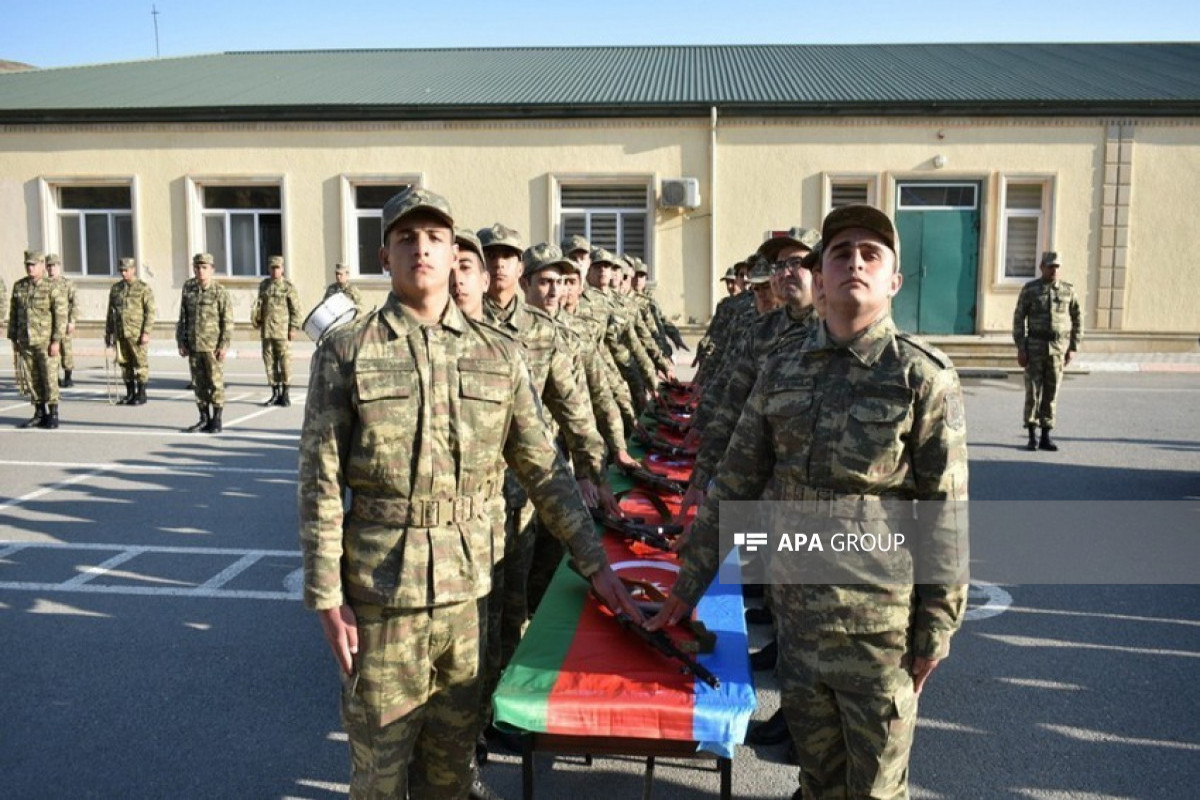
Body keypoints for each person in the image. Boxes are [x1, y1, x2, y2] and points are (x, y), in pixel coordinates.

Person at [297, 186, 638, 800]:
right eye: (406, 239)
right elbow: (319, 479)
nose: (421, 250)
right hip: (381, 598)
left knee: (450, 772)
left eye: (435, 239)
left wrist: (595, 563)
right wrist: (326, 593)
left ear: (456, 254)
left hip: (467, 596)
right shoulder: (347, 353)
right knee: (377, 775)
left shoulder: (497, 354)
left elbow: (545, 470)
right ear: (385, 257)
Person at [650, 204, 969, 800]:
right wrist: (685, 588)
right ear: (820, 278)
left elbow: (944, 515)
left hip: (879, 632)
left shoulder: (921, 377)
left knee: (874, 787)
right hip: (798, 623)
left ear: (894, 281)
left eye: (871, 255)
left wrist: (935, 630)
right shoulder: (781, 369)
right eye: (840, 253)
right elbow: (735, 485)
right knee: (817, 780)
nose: (855, 263)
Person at [1012, 251, 1082, 452]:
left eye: (1057, 266)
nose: (1054, 270)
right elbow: (1019, 318)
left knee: (1051, 393)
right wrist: (1021, 347)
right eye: (1050, 266)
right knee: (1032, 393)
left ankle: (1046, 436)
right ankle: (1032, 436)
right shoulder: (1031, 290)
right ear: (1042, 267)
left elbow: (1078, 318)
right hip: (1034, 348)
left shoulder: (1068, 291)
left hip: (1058, 350)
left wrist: (1073, 347)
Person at [8, 249, 66, 428]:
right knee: (32, 378)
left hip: (45, 341)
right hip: (26, 340)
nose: (30, 268)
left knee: (48, 377)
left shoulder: (53, 287)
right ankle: (39, 412)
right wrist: (13, 338)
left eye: (33, 265)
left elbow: (60, 316)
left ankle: (53, 413)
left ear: (42, 266)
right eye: (28, 265)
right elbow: (14, 313)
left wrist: (56, 340)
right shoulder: (20, 287)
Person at [176, 253, 232, 433]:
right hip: (194, 345)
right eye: (197, 267)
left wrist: (223, 345)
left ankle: (216, 419)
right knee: (198, 384)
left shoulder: (219, 291)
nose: (200, 271)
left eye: (204, 267)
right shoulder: (189, 288)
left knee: (215, 383)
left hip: (211, 346)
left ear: (212, 269)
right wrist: (181, 341)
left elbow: (227, 321)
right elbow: (183, 316)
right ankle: (203, 418)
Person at [105, 258, 156, 405]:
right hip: (120, 333)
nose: (123, 273)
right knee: (125, 364)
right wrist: (109, 333)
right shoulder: (116, 289)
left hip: (136, 333)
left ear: (133, 270)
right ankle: (130, 393)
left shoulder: (143, 288)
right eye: (121, 270)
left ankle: (141, 393)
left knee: (140, 364)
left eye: (126, 270)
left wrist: (146, 332)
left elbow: (150, 312)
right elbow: (110, 312)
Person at [252, 255, 301, 407]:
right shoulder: (264, 285)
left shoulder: (288, 287)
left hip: (282, 331)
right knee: (269, 362)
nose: (275, 271)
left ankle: (285, 393)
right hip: (267, 331)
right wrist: (256, 318)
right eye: (272, 268)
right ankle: (275, 392)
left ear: (282, 269)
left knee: (285, 362)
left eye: (277, 268)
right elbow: (259, 305)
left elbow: (296, 309)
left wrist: (293, 328)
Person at [45, 254, 77, 387]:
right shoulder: (44, 284)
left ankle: (68, 376)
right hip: (50, 323)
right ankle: (55, 377)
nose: (52, 269)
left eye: (54, 266)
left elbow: (74, 303)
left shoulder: (67, 283)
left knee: (66, 350)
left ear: (59, 266)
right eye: (49, 266)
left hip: (64, 322)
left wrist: (72, 321)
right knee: (52, 351)